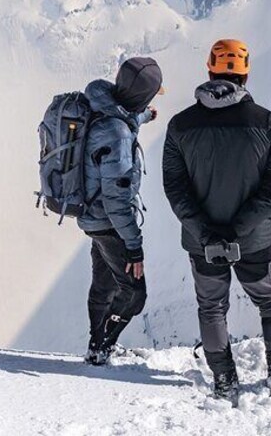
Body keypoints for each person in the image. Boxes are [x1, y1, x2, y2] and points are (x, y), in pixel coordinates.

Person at [162, 39, 271, 406]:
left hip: (201, 243)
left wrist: (208, 233)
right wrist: (239, 230)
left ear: (209, 71)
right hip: (254, 241)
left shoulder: (180, 126)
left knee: (211, 307)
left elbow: (175, 189)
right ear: (245, 74)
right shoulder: (268, 124)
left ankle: (224, 379)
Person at [78, 56, 163, 365]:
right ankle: (103, 346)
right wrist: (134, 246)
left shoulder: (101, 107)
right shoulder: (118, 134)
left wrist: (142, 118)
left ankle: (96, 343)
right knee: (134, 294)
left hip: (94, 218)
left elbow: (120, 120)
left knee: (103, 284)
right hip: (110, 224)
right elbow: (117, 199)